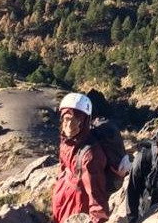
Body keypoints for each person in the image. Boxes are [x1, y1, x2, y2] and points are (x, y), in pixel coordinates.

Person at [51, 92, 111, 223]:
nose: (70, 125)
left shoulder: (90, 155)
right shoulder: (66, 141)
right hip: (63, 200)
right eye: (67, 118)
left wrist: (97, 220)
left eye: (76, 120)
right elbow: (62, 168)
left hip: (77, 206)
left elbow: (97, 196)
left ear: (84, 122)